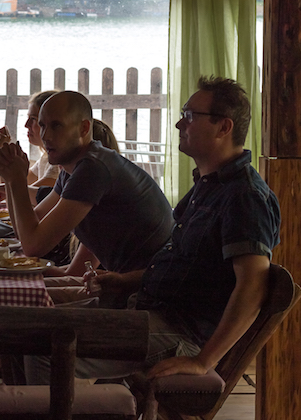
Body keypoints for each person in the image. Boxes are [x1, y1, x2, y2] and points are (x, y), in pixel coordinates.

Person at [26, 76, 281, 383]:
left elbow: (253, 286)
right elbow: (186, 268)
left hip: (179, 331)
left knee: (42, 348)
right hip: (146, 308)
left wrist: (203, 361)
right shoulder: (208, 185)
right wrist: (124, 280)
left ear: (223, 127)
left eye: (190, 116)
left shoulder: (245, 196)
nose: (179, 124)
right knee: (26, 328)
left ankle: (64, 415)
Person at [0, 91, 173, 302]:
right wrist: (10, 178)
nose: (46, 135)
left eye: (56, 125)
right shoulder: (72, 169)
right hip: (121, 286)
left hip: (148, 294)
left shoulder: (93, 168)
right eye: (42, 126)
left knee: (8, 299)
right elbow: (29, 226)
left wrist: (16, 180)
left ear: (84, 128)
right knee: (5, 289)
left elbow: (33, 246)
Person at [0, 90, 60, 207]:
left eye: (33, 119)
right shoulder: (45, 159)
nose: (26, 124)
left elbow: (16, 199)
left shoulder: (57, 166)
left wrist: (2, 150)